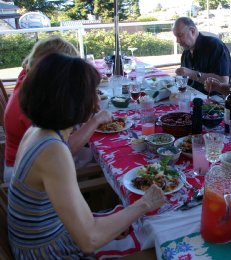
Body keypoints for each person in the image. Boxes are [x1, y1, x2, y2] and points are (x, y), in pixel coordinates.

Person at [7, 53, 166, 258]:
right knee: (159, 242)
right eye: (93, 92)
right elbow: (90, 239)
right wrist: (145, 203)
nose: (97, 98)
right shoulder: (53, 151)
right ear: (72, 101)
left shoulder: (38, 131)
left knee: (137, 221)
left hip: (46, 235)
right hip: (50, 252)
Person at [3, 35, 113, 183]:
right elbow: (64, 149)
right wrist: (95, 120)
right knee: (110, 155)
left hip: (32, 164)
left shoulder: (31, 81)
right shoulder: (33, 104)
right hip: (29, 172)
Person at [172, 17, 231, 94]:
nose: (177, 41)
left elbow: (223, 81)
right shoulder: (186, 53)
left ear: (192, 31)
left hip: (216, 99)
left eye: (180, 35)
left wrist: (191, 73)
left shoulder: (214, 46)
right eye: (176, 36)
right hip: (194, 96)